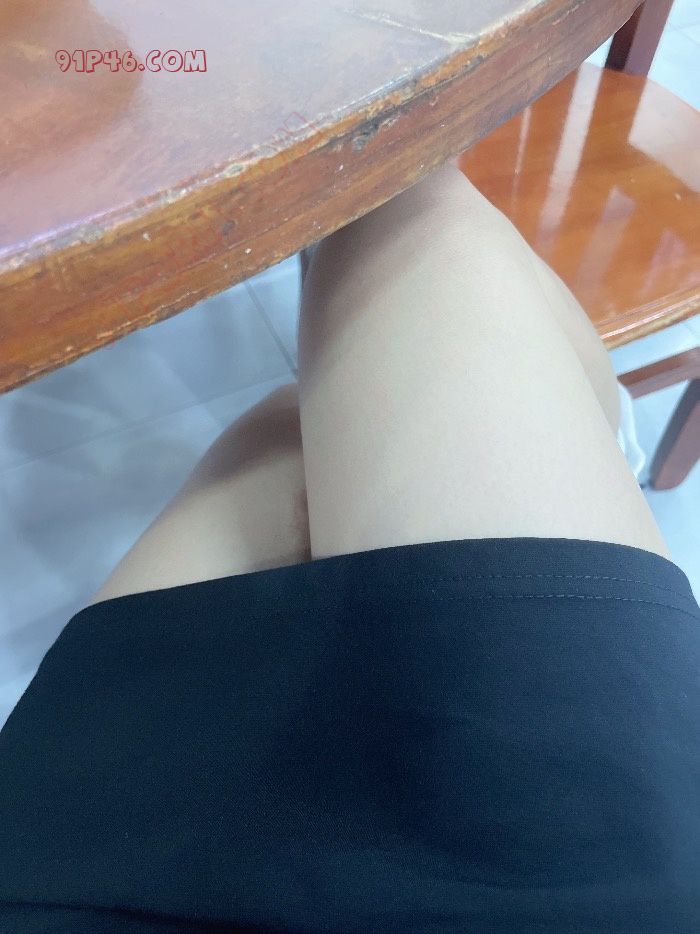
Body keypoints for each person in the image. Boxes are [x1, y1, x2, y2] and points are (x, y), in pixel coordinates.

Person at [0, 164, 698, 932]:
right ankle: (590, 442)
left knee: (287, 425)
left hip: (68, 858)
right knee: (409, 198)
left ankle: (584, 439)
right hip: (551, 866)